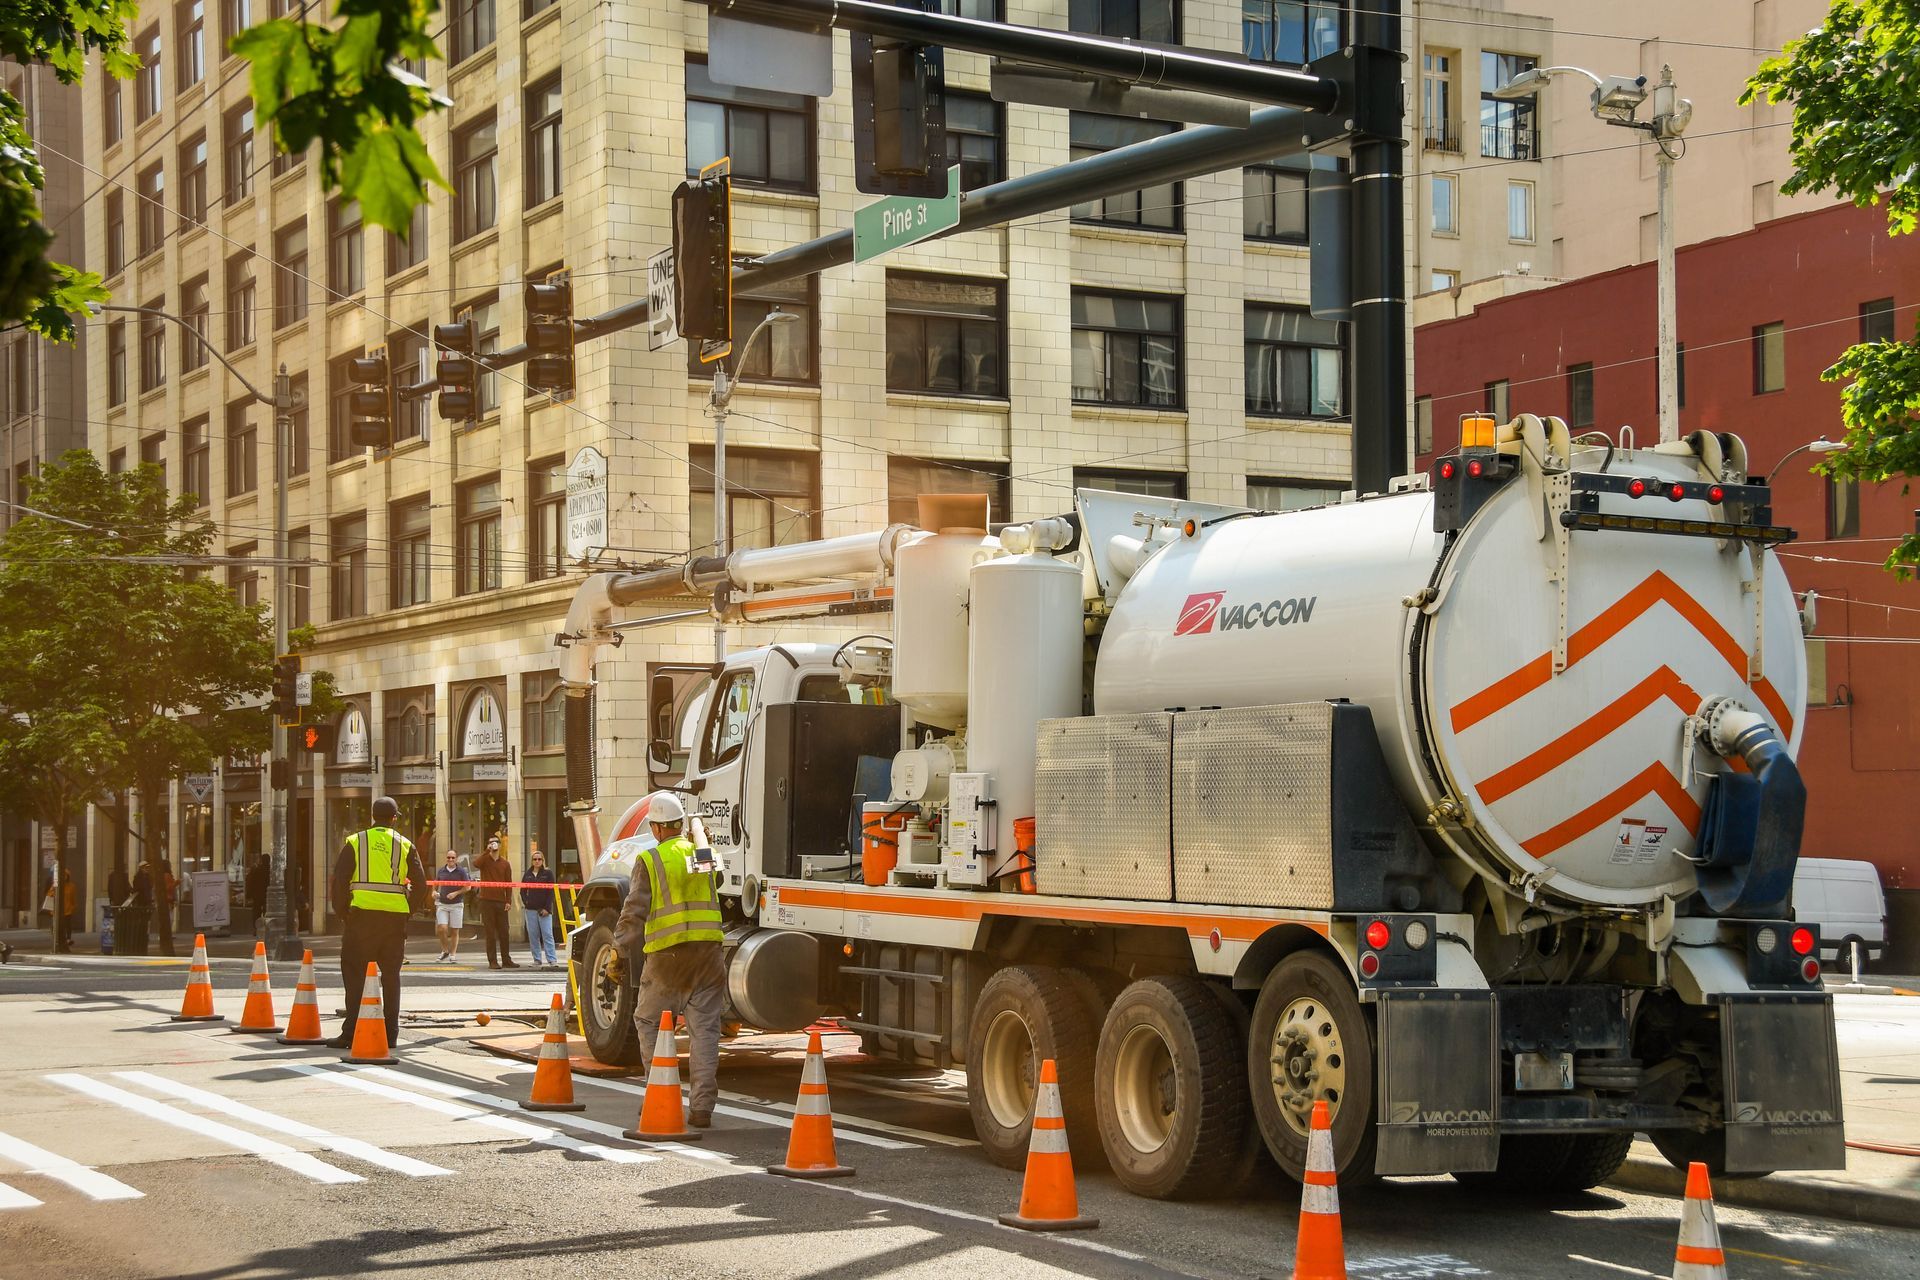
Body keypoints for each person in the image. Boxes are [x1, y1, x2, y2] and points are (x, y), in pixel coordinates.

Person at [611, 792, 725, 1127]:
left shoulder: (650, 860)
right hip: (708, 953)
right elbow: (715, 879)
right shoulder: (702, 854)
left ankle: (660, 1093)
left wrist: (617, 950)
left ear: (658, 828)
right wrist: (700, 839)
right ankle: (702, 1107)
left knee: (649, 1023)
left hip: (667, 955)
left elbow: (634, 911)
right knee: (704, 1029)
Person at [326, 796, 429, 1048]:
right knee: (391, 976)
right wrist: (407, 911)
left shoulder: (356, 841)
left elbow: (340, 880)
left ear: (372, 816)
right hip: (394, 921)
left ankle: (350, 1033)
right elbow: (421, 884)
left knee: (354, 974)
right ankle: (391, 1035)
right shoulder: (405, 845)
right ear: (395, 818)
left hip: (361, 919)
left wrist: (342, 912)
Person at [474, 839, 517, 969]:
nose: (493, 844)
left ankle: (506, 959)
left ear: (499, 845)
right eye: (491, 842)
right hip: (486, 901)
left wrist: (508, 900)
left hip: (500, 901)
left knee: (504, 932)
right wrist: (487, 851)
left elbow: (508, 884)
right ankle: (492, 961)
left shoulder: (505, 864)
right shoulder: (485, 861)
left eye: (496, 842)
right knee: (490, 933)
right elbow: (476, 863)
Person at [520, 846, 558, 969]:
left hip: (544, 910)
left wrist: (547, 908)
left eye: (539, 859)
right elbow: (522, 890)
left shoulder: (548, 873)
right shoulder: (528, 874)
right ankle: (537, 959)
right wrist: (527, 902)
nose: (537, 861)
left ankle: (552, 960)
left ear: (543, 860)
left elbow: (551, 892)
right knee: (533, 935)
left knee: (547, 934)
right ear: (532, 861)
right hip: (530, 910)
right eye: (535, 859)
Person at [433, 848, 471, 962]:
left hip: (456, 904)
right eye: (448, 857)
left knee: (454, 930)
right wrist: (433, 892)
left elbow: (468, 887)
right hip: (442, 903)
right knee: (442, 928)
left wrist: (456, 893)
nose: (450, 860)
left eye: (453, 858)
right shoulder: (441, 871)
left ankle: (453, 954)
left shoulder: (461, 872)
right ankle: (445, 950)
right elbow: (434, 884)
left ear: (456, 859)